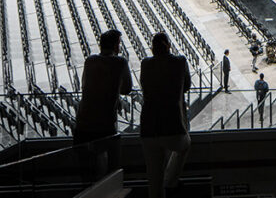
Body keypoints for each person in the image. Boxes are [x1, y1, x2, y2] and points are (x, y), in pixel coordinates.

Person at [73, 29, 132, 183]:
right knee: (111, 172)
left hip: (82, 124)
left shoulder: (90, 61)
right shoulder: (120, 62)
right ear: (115, 46)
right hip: (104, 125)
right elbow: (127, 89)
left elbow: (84, 84)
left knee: (86, 174)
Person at [140, 33, 192, 198]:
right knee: (185, 144)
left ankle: (164, 184)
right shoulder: (180, 61)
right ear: (168, 45)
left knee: (154, 182)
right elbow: (186, 86)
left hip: (148, 128)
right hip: (173, 126)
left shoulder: (145, 64)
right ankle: (170, 181)